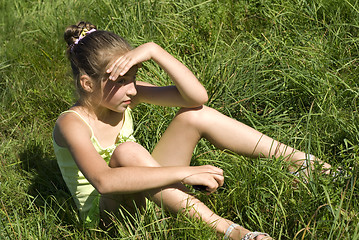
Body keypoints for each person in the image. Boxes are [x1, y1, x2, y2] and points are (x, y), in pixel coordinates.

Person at [53, 21, 331, 240]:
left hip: (149, 192)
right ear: (88, 84)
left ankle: (306, 164)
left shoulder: (124, 98)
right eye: (122, 80)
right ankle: (232, 232)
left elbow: (196, 97)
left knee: (194, 116)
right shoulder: (71, 123)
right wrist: (186, 172)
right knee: (129, 151)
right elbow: (105, 182)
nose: (133, 88)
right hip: (111, 219)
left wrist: (155, 50)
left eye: (134, 78)